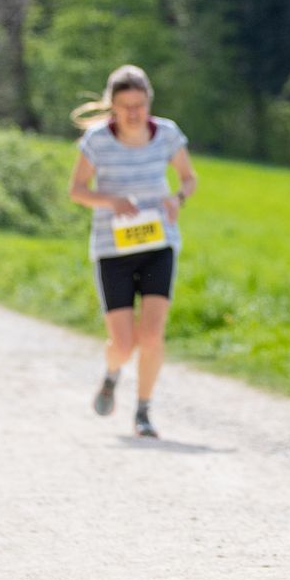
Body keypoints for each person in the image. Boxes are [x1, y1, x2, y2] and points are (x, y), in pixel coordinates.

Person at [67, 65, 198, 439]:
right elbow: (76, 189)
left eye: (139, 105)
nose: (133, 113)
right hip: (113, 249)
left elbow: (189, 178)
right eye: (125, 106)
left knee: (153, 335)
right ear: (112, 107)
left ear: (149, 103)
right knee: (123, 343)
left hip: (159, 243)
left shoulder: (167, 134)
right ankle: (111, 375)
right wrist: (110, 200)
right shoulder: (96, 140)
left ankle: (143, 411)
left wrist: (177, 198)